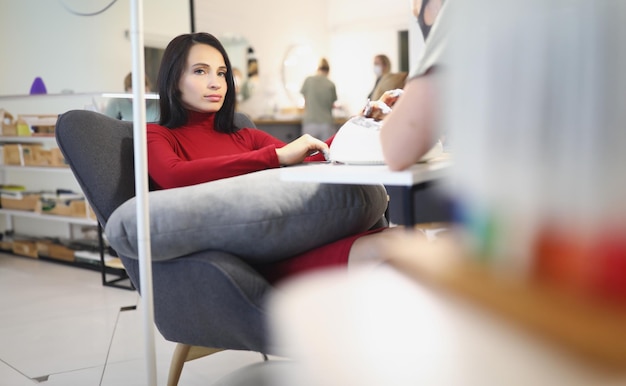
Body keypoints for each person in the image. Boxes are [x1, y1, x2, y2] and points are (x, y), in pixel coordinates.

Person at [146, 32, 413, 283]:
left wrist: (360, 121)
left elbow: (310, 161)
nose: (216, 82)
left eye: (222, 72)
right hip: (240, 265)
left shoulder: (247, 137)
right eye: (200, 71)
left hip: (286, 244)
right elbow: (174, 175)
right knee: (390, 250)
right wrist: (274, 156)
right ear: (173, 79)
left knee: (408, 241)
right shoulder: (157, 135)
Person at [300, 58, 338, 140]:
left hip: (310, 122)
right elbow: (332, 104)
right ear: (328, 71)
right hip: (326, 124)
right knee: (326, 151)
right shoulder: (331, 84)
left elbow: (306, 101)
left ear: (318, 69)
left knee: (308, 151)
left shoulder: (308, 80)